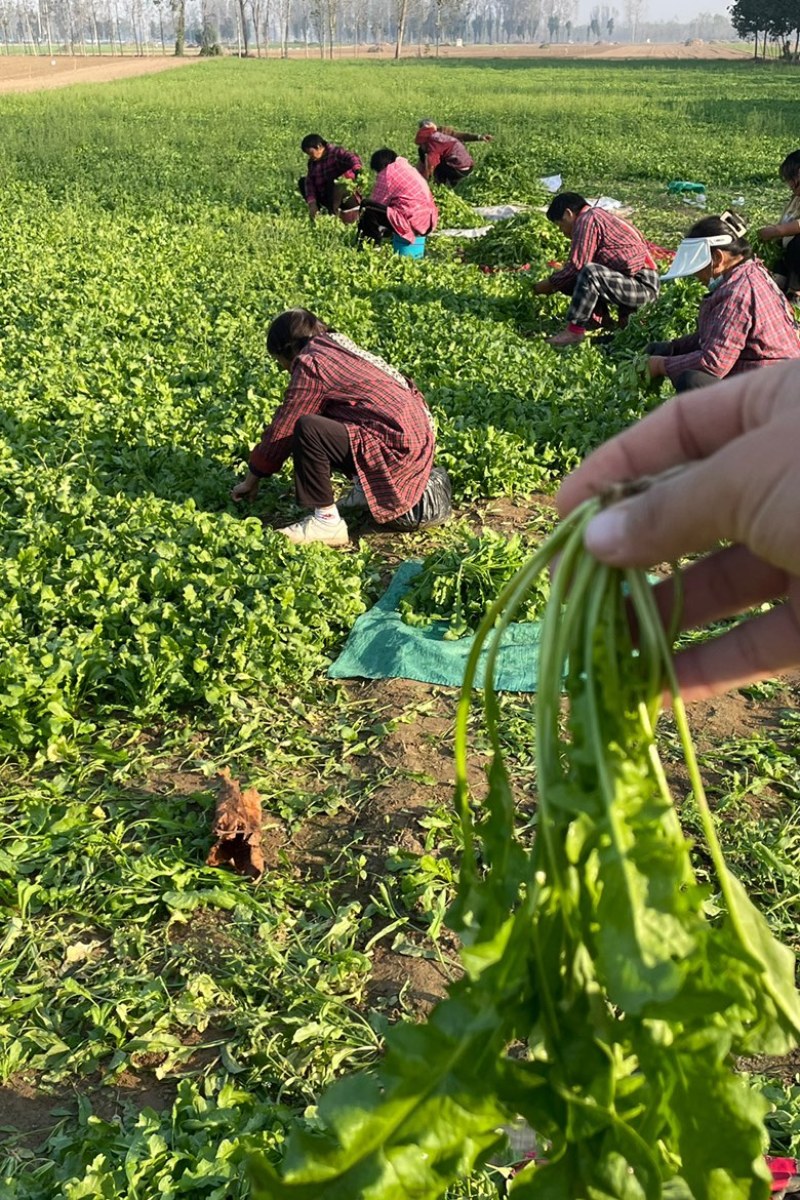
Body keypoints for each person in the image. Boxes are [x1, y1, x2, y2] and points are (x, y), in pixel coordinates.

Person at [556, 360, 800, 701]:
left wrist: (664, 362)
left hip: (759, 400)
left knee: (691, 376)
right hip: (774, 400)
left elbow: (715, 358)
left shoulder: (732, 302)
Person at [231, 309, 436, 546]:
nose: (286, 370)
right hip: (416, 440)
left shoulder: (313, 363)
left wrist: (253, 477)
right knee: (335, 414)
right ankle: (366, 490)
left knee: (308, 428)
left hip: (397, 449)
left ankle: (327, 522)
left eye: (281, 364)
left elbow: (284, 427)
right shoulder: (338, 346)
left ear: (287, 350)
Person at [647, 212, 800, 392]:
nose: (697, 277)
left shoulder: (736, 293)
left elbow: (712, 363)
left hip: (773, 391)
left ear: (718, 259)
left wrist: (660, 366)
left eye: (699, 268)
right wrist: (674, 347)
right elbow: (720, 334)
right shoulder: (751, 271)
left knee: (692, 381)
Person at [532, 193, 660, 347]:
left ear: (568, 213)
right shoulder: (598, 216)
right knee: (578, 276)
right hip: (632, 286)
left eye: (561, 224)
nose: (562, 231)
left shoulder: (587, 219)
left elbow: (576, 267)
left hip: (644, 288)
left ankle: (574, 331)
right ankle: (600, 320)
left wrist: (546, 285)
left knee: (589, 272)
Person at [358, 148, 439, 246]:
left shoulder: (387, 173)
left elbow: (377, 203)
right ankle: (390, 238)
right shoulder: (406, 168)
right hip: (427, 221)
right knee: (387, 210)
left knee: (369, 210)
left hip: (412, 223)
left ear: (381, 166)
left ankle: (371, 246)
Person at [757, 149, 800, 302]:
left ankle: (796, 292)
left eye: (790, 179)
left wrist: (777, 231)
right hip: (790, 258)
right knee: (780, 249)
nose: (789, 184)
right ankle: (780, 282)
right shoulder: (795, 199)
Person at [298, 134, 362, 224]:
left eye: (310, 152)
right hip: (328, 196)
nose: (310, 156)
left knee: (334, 181)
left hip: (345, 195)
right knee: (303, 182)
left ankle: (333, 216)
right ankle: (319, 216)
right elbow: (310, 182)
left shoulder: (336, 153)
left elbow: (352, 157)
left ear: (319, 146)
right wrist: (312, 203)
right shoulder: (312, 162)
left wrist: (357, 170)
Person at [414, 120, 490, 188]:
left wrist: (424, 181)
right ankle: (421, 178)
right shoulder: (437, 137)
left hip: (458, 167)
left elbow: (431, 163)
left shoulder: (439, 136)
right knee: (426, 155)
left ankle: (439, 186)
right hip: (467, 165)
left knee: (434, 164)